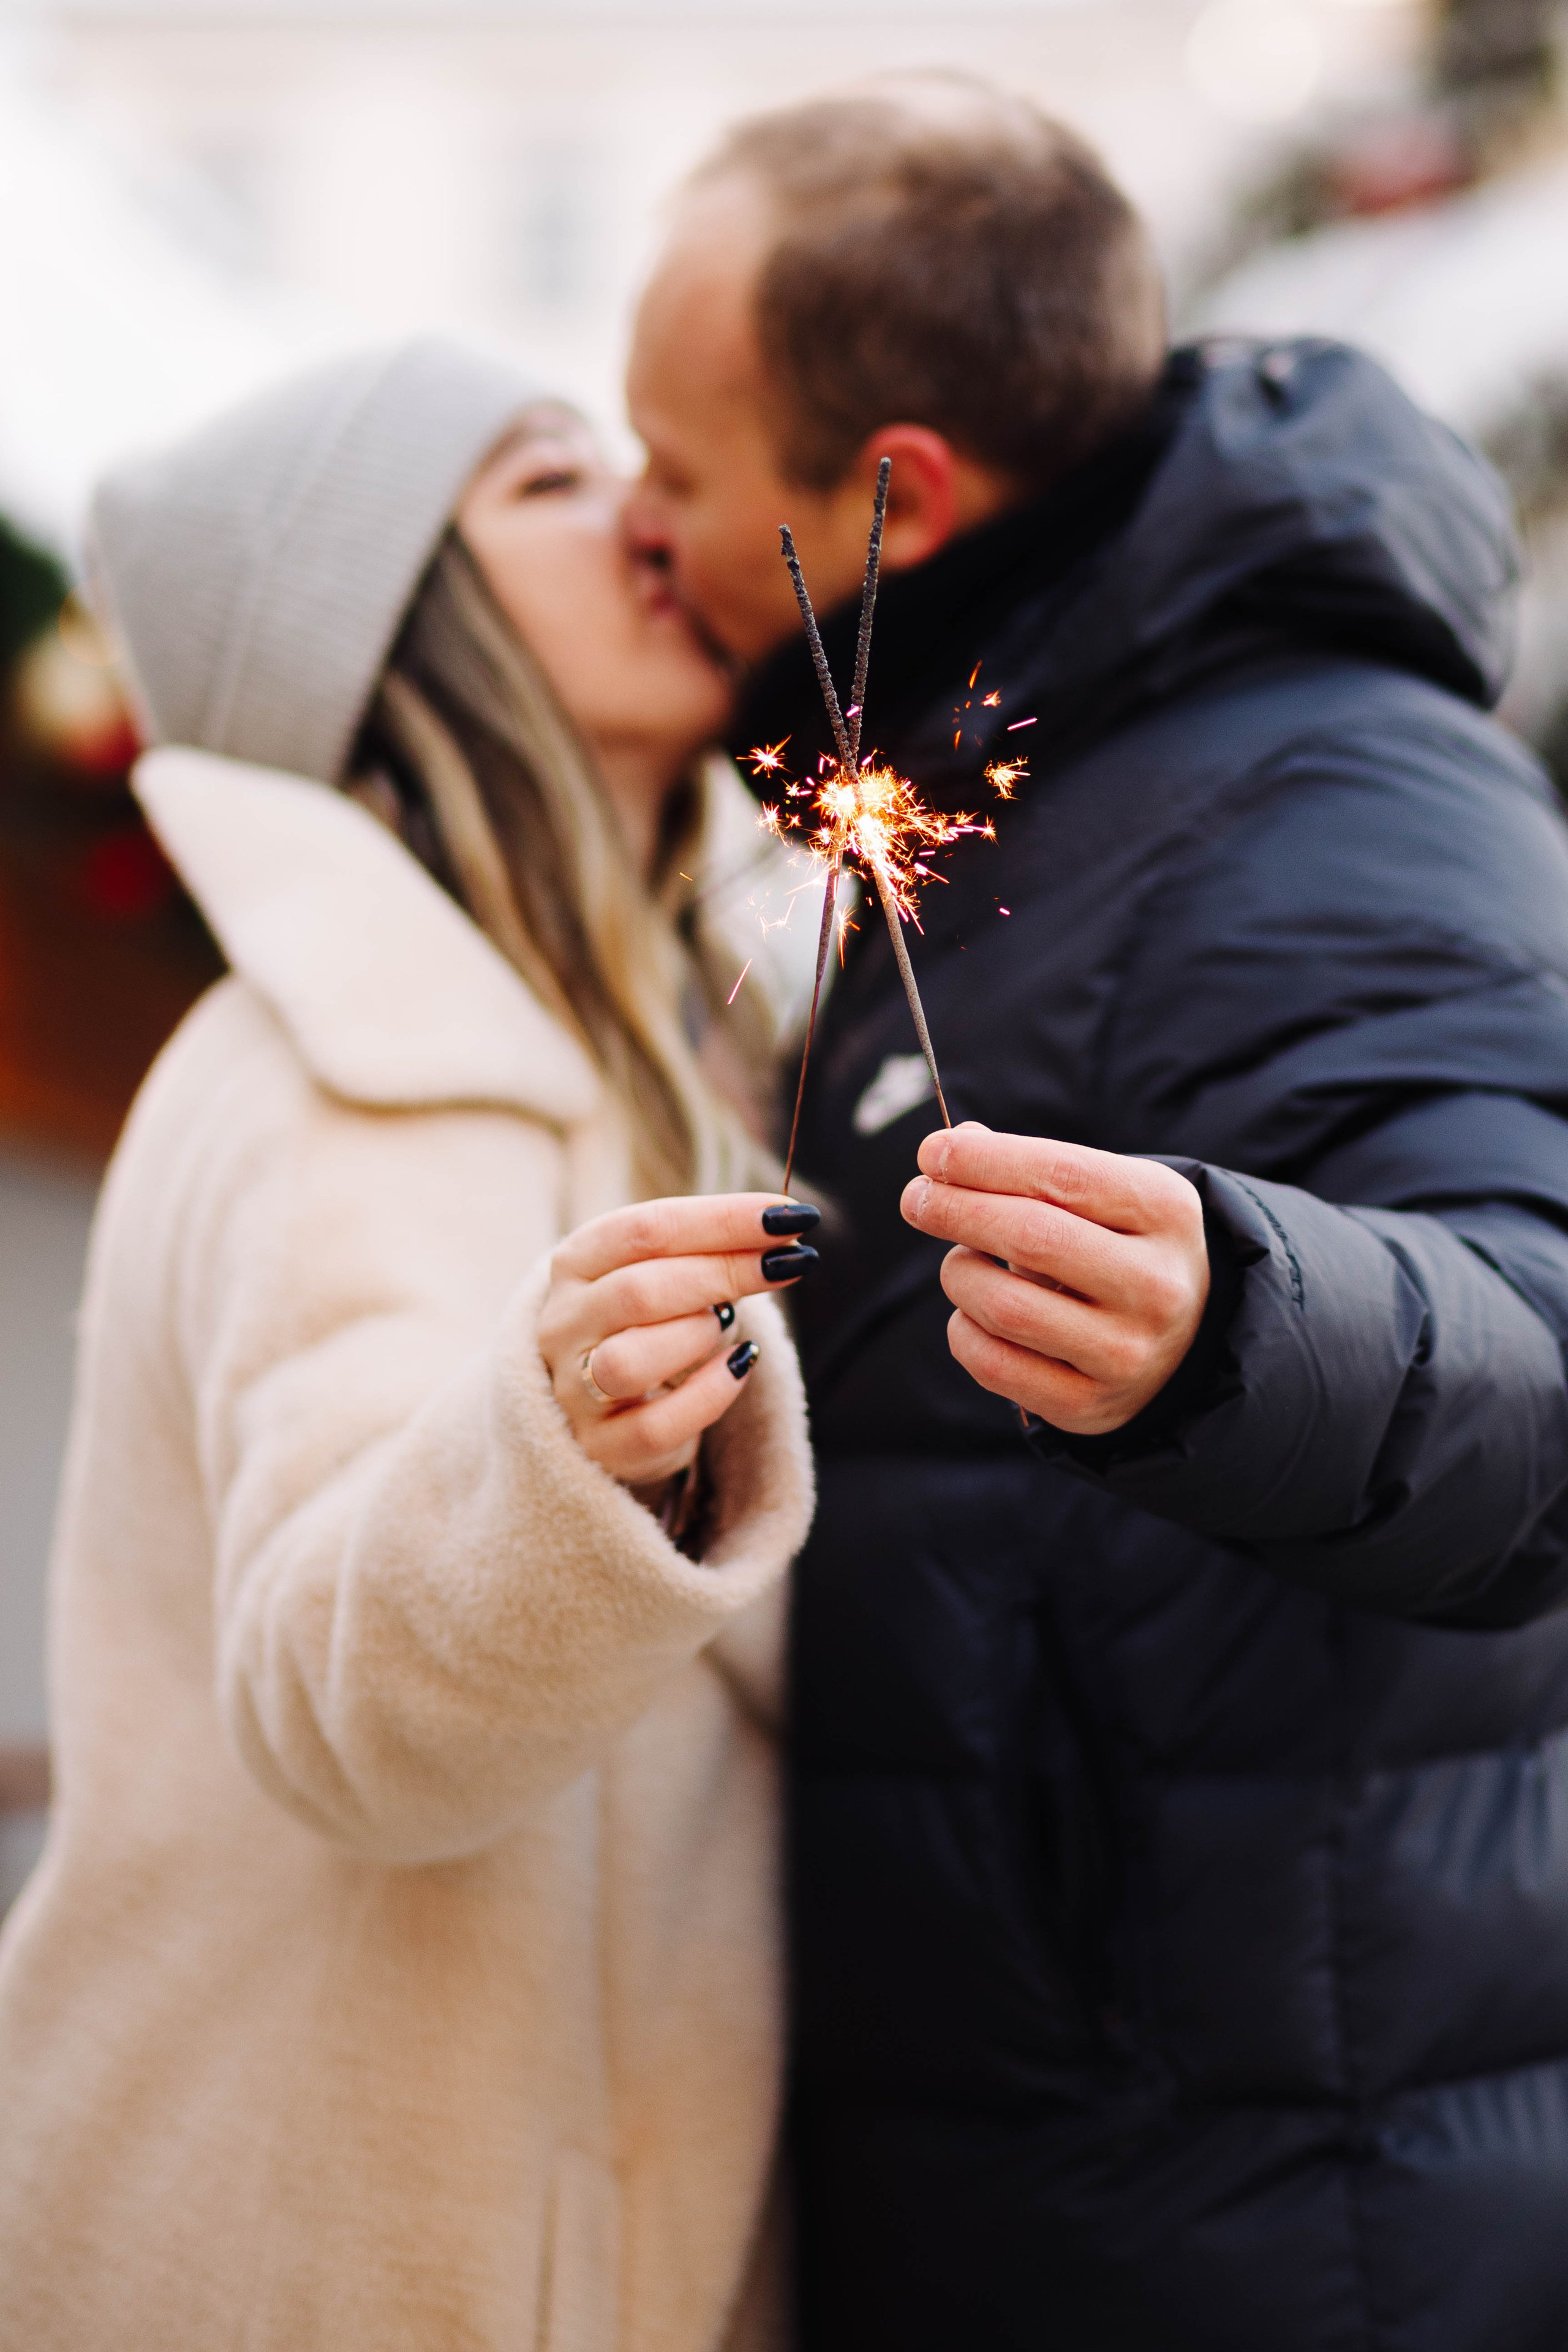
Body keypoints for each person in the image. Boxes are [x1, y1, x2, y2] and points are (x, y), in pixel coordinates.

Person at [625, 75, 1568, 2352]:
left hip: (1261, 2203)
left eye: (678, 468)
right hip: (1038, 2144)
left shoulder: (1339, 794)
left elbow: (1541, 1369)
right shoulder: (983, 776)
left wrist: (1244, 1319)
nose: (646, 526)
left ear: (895, 492)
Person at [0, 337, 819, 2352]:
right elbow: (343, 1699)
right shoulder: (364, 1069)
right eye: (543, 482)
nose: (646, 506)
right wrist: (563, 1454)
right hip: (366, 2263)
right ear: (390, 628)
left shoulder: (604, 1049)